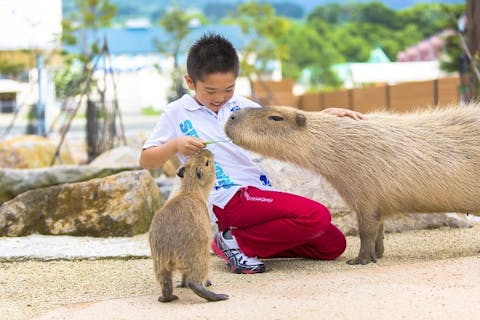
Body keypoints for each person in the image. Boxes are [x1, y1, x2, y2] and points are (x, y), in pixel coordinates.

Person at [140, 33, 366, 274]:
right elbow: (146, 159)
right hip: (227, 198)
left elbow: (283, 125)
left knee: (332, 245)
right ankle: (235, 242)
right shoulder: (176, 112)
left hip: (259, 194)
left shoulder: (242, 106)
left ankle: (240, 243)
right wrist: (175, 145)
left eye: (228, 89)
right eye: (210, 91)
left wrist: (323, 116)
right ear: (190, 81)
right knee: (316, 215)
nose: (219, 98)